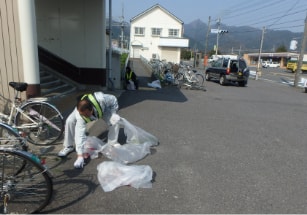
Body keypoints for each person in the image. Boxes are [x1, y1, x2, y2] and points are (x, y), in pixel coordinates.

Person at [58, 92, 120, 168]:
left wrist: (114, 113)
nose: (85, 117)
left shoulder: (101, 99)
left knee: (115, 121)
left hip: (103, 110)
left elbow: (113, 99)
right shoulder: (80, 115)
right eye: (83, 115)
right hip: (82, 107)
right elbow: (79, 134)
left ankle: (113, 143)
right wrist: (80, 155)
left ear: (91, 110)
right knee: (69, 121)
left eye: (86, 115)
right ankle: (68, 146)